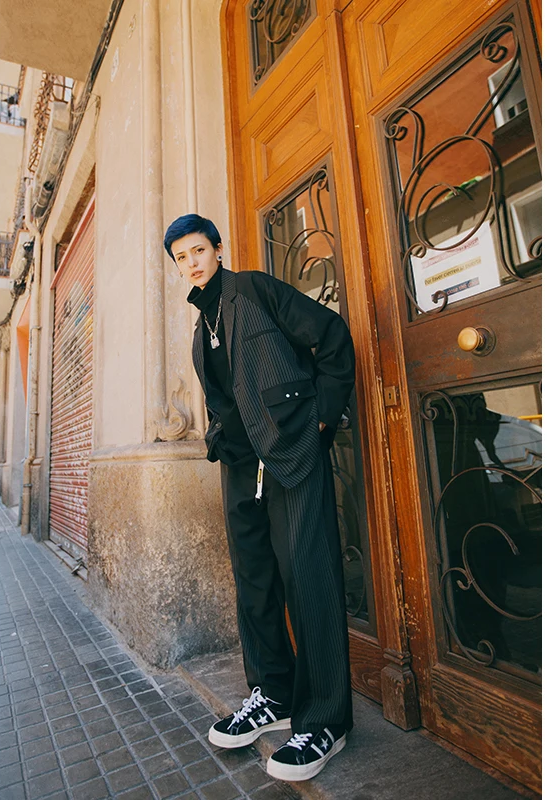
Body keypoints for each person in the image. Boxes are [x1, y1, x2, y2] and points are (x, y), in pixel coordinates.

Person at [164, 214, 355, 782]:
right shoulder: (201, 331)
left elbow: (331, 337)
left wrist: (322, 420)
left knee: (307, 576)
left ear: (218, 250)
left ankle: (325, 721)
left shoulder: (253, 290)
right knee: (254, 579)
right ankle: (273, 693)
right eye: (181, 257)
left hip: (292, 452)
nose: (192, 263)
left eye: (198, 251)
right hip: (243, 467)